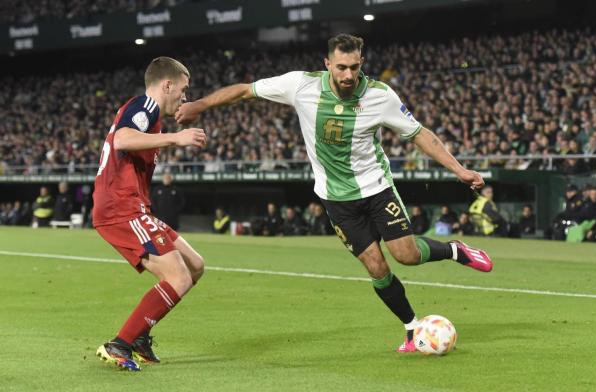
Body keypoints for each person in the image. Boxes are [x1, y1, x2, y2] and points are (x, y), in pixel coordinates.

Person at [176, 33, 492, 353]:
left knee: (406, 256)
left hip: (377, 189)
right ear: (327, 64)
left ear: (361, 63)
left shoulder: (380, 96)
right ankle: (412, 328)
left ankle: (455, 251)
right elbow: (245, 90)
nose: (348, 75)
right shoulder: (301, 86)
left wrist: (460, 170)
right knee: (376, 268)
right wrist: (200, 105)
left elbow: (419, 134)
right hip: (336, 200)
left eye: (354, 67)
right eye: (341, 67)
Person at [92, 57, 207, 371]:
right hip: (120, 207)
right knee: (178, 276)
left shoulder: (148, 113)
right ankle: (120, 344)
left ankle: (140, 337)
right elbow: (121, 139)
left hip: (133, 206)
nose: (184, 96)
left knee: (195, 266)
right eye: (182, 90)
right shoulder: (145, 107)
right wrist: (175, 138)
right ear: (167, 84)